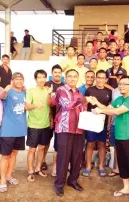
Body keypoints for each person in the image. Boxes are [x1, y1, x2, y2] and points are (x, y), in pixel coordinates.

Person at [93, 76, 129, 202]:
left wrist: (100, 110)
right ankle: (126, 187)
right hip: (120, 135)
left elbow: (117, 112)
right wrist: (96, 103)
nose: (121, 86)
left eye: (124, 84)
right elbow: (109, 108)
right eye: (120, 84)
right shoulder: (119, 98)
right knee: (122, 163)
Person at [53, 69, 90, 197]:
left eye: (75, 76)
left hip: (79, 129)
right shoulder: (61, 90)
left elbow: (82, 109)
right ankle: (59, 184)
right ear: (66, 78)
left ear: (78, 78)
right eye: (70, 76)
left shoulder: (79, 92)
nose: (72, 79)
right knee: (63, 157)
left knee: (77, 157)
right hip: (65, 128)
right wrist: (84, 99)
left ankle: (73, 180)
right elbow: (67, 105)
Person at [0, 72, 27, 193]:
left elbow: (26, 105)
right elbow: (1, 96)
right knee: (5, 156)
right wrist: (6, 88)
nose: (19, 81)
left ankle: (9, 176)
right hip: (8, 130)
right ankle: (2, 181)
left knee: (14, 154)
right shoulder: (8, 91)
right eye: (17, 79)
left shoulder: (25, 93)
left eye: (21, 79)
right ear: (12, 80)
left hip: (20, 130)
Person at [82, 70, 112, 177]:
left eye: (102, 78)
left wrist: (108, 123)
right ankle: (88, 166)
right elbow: (85, 106)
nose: (100, 80)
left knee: (102, 144)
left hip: (103, 122)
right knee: (90, 144)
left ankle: (101, 166)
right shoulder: (89, 90)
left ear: (106, 79)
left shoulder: (109, 92)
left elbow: (110, 109)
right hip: (91, 121)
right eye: (98, 77)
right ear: (95, 78)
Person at [25, 70, 52, 182]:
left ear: (46, 79)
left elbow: (50, 105)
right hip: (33, 125)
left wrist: (50, 119)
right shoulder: (31, 91)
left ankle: (38, 168)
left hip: (45, 124)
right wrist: (35, 105)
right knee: (32, 149)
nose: (41, 79)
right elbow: (26, 106)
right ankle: (30, 171)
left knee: (41, 148)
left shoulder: (48, 90)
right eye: (39, 77)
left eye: (43, 77)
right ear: (35, 79)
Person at [42, 65, 64, 176]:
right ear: (52, 73)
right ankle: (43, 161)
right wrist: (50, 117)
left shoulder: (64, 86)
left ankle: (59, 164)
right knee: (46, 141)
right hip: (49, 117)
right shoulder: (47, 85)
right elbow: (47, 102)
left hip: (60, 119)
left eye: (59, 72)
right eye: (55, 72)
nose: (57, 74)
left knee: (59, 143)